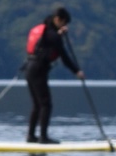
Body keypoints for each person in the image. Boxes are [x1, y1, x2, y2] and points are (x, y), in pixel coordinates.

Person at [23, 7, 84, 144]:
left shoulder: (47, 29)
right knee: (46, 104)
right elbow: (64, 57)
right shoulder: (54, 35)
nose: (65, 26)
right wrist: (77, 71)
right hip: (38, 70)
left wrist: (59, 33)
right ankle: (43, 138)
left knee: (37, 105)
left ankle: (31, 136)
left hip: (30, 68)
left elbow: (48, 43)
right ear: (58, 20)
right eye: (64, 23)